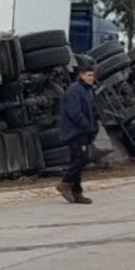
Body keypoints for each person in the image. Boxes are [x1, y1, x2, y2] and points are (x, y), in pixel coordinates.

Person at [56, 60, 99, 205]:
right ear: (81, 75)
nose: (91, 78)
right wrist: (86, 126)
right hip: (75, 132)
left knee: (78, 160)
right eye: (88, 75)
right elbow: (74, 112)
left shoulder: (87, 91)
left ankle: (77, 192)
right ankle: (64, 184)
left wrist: (94, 127)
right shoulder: (74, 90)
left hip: (83, 132)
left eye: (92, 75)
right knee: (82, 158)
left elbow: (91, 111)